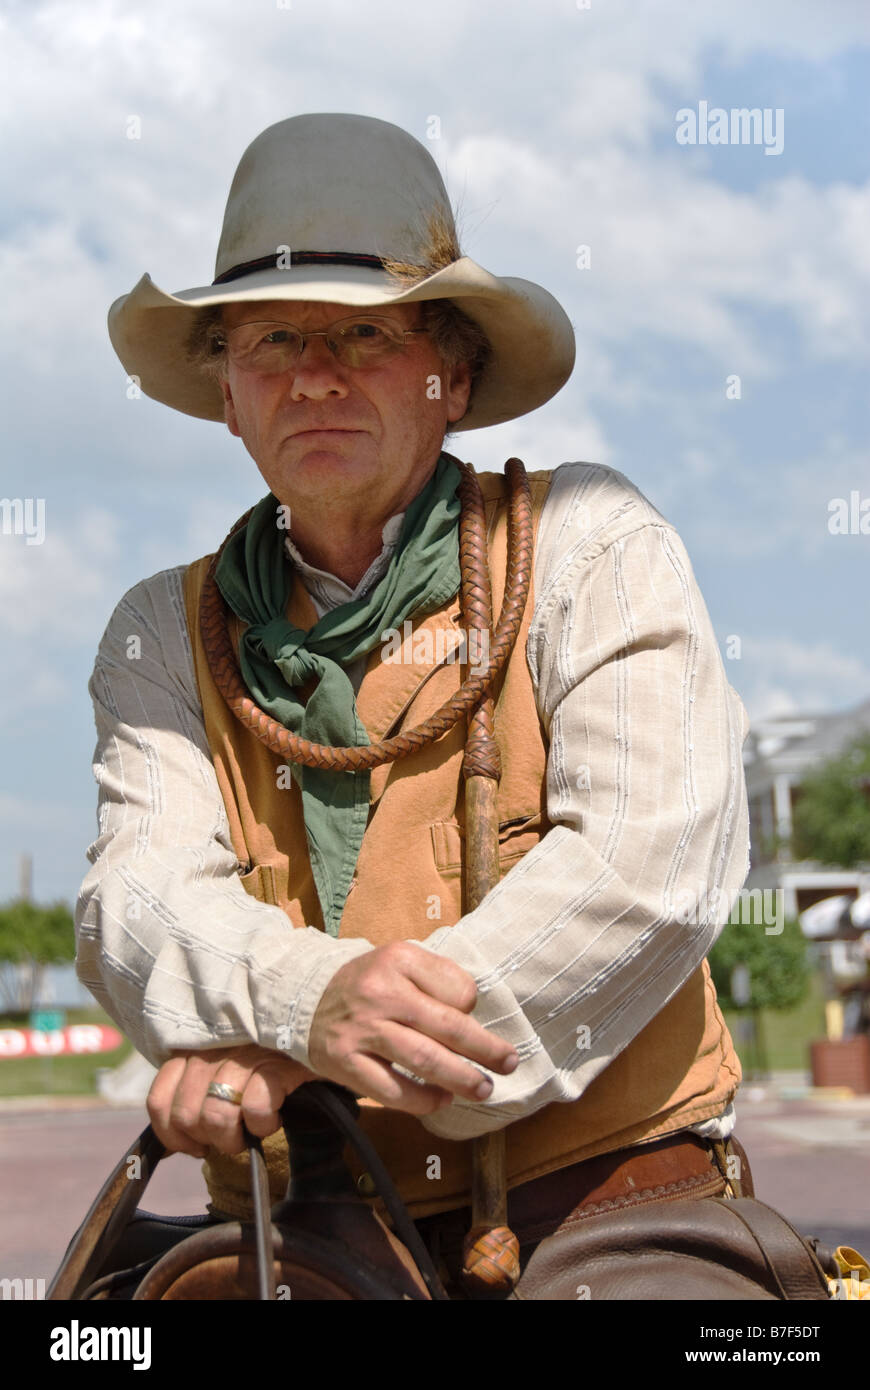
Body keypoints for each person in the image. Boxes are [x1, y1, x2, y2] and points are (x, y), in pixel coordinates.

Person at [75, 112, 753, 1297]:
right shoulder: (157, 631)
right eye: (274, 339)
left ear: (457, 377)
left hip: (614, 1203)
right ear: (226, 395)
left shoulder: (593, 542)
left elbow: (652, 872)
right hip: (308, 1222)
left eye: (367, 336)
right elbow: (135, 904)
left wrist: (313, 1044)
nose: (315, 375)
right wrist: (307, 1002)